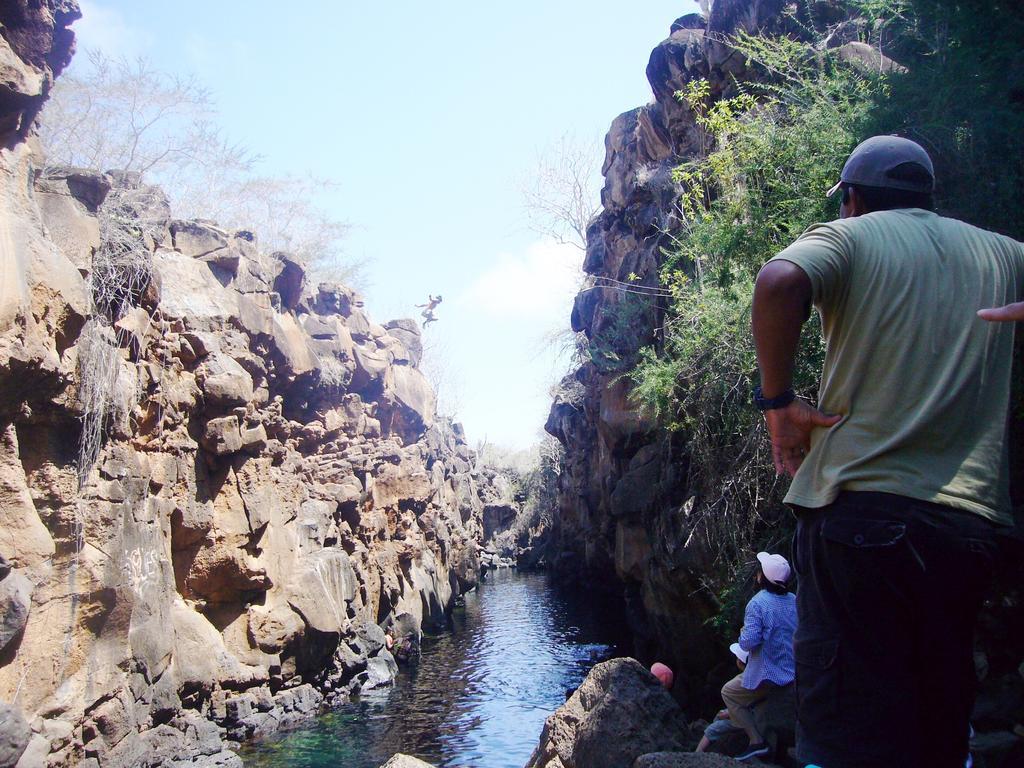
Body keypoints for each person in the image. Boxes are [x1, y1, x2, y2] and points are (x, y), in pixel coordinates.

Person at [751, 135, 1023, 767]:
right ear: (927, 197)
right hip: (968, 527)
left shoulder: (850, 237)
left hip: (861, 516)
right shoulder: (1002, 253)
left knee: (848, 734)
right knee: (937, 721)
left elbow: (779, 279)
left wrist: (780, 404)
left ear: (852, 199)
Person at [719, 552, 797, 762]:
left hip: (770, 673)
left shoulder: (758, 603)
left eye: (760, 571)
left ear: (763, 577)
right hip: (795, 670)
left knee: (729, 692)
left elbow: (748, 642)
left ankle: (756, 741)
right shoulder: (794, 600)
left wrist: (745, 632)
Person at [695, 642, 750, 754]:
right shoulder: (751, 677)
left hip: (746, 719)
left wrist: (728, 714)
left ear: (739, 662)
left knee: (712, 729)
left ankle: (698, 753)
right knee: (719, 716)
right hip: (745, 713)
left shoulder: (745, 682)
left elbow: (747, 706)